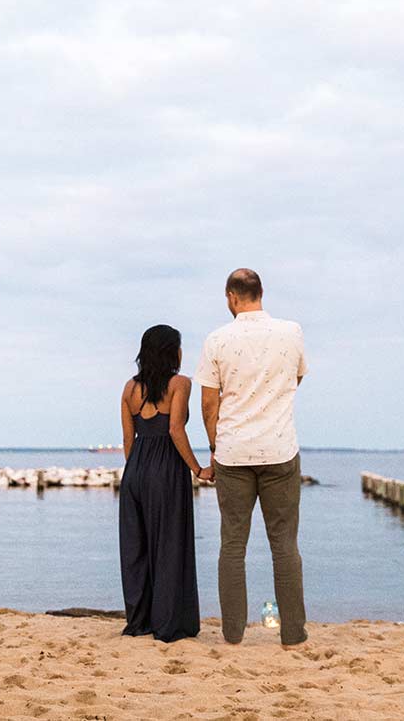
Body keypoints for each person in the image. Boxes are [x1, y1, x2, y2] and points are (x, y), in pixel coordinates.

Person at [197, 268, 309, 647]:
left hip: (233, 453)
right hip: (279, 449)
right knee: (284, 545)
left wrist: (215, 448)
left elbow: (209, 405)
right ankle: (292, 633)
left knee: (232, 545)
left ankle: (232, 633)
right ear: (261, 292)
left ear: (232, 296)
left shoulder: (217, 340)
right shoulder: (291, 332)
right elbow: (296, 379)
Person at [117, 324, 204, 642]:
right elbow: (175, 430)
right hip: (166, 469)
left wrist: (137, 472)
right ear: (172, 352)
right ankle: (169, 624)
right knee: (169, 545)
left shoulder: (129, 388)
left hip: (136, 470)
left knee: (136, 548)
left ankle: (139, 621)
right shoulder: (180, 383)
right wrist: (196, 468)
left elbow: (128, 439)